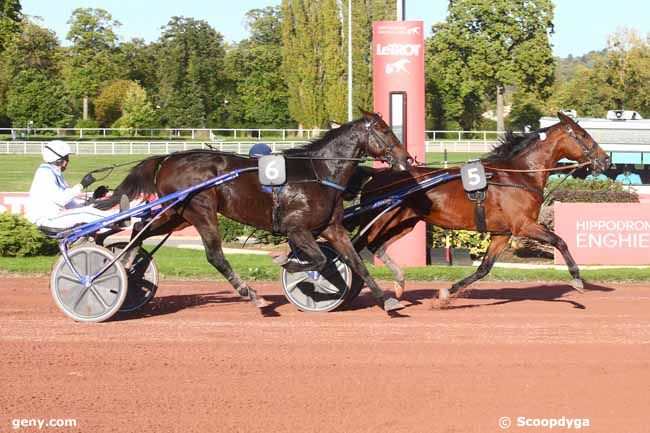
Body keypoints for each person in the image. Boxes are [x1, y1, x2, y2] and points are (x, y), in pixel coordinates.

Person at [25, 140, 128, 230]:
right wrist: (81, 185)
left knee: (87, 210)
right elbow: (61, 200)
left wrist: (93, 198)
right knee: (85, 213)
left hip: (53, 216)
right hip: (46, 219)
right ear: (59, 160)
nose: (67, 161)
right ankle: (118, 219)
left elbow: (70, 204)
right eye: (66, 158)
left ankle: (118, 219)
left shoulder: (54, 173)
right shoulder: (45, 174)